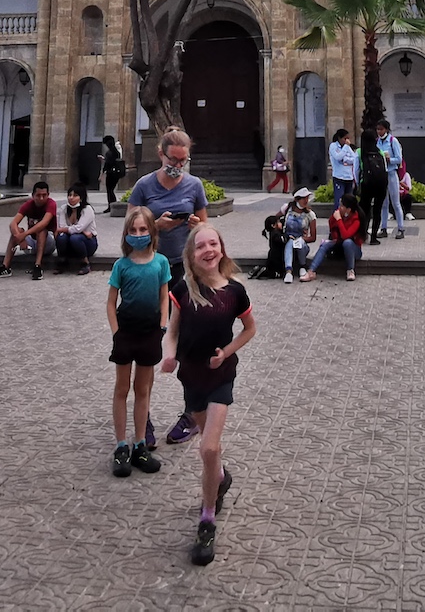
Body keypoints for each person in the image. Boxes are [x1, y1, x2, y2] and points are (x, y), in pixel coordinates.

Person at [161, 224, 255, 566]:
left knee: (209, 447)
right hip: (191, 376)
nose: (208, 250)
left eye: (213, 243)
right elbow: (172, 332)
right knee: (208, 447)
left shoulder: (235, 291)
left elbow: (250, 329)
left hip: (221, 375)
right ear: (191, 255)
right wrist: (168, 355)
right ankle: (220, 478)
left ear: (222, 248)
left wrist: (226, 352)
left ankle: (207, 519)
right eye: (200, 246)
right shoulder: (183, 290)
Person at [126, 128, 210, 446]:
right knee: (147, 343)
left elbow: (207, 230)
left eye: (183, 160)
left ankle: (192, 413)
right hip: (149, 270)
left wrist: (197, 226)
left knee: (190, 342)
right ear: (161, 154)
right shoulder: (144, 186)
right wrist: (154, 226)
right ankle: (143, 419)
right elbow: (128, 234)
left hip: (184, 270)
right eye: (173, 159)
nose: (178, 165)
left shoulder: (194, 185)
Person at [107, 205, 169, 478]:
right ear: (126, 234)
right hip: (126, 332)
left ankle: (140, 443)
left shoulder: (161, 262)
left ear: (152, 231)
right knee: (122, 388)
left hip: (150, 332)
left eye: (143, 229)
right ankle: (121, 445)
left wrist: (163, 325)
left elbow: (164, 296)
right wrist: (116, 332)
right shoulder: (121, 265)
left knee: (142, 389)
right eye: (133, 230)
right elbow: (111, 302)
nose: (138, 234)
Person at [0, 180, 59, 280]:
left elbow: (44, 223)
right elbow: (13, 223)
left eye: (44, 195)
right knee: (17, 230)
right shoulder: (28, 205)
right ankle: (5, 266)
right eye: (38, 195)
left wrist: (24, 234)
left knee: (41, 230)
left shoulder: (51, 204)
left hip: (48, 243)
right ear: (33, 195)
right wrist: (20, 237)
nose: (41, 198)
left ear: (48, 195)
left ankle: (38, 266)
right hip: (31, 243)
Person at [302, 190, 361, 282]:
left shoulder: (356, 220)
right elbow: (332, 227)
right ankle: (311, 271)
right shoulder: (339, 214)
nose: (339, 208)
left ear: (348, 209)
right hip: (339, 244)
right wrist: (335, 218)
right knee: (325, 245)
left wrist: (339, 220)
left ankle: (350, 270)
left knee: (347, 242)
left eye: (342, 206)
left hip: (353, 250)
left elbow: (345, 236)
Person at [373, 120, 407, 240]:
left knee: (396, 202)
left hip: (391, 173)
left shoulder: (393, 141)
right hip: (382, 174)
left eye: (381, 129)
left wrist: (389, 159)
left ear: (386, 129)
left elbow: (399, 159)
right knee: (383, 203)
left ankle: (401, 228)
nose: (379, 132)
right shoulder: (377, 141)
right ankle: (383, 228)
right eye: (378, 129)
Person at [54, 183, 99, 273]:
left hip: (87, 242)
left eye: (75, 195)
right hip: (71, 240)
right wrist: (82, 231)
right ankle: (62, 261)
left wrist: (76, 230)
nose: (71, 198)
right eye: (70, 195)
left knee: (75, 238)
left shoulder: (87, 209)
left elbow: (79, 228)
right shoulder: (64, 209)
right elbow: (62, 226)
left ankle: (85, 263)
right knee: (61, 237)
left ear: (81, 198)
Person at [356, 128, 388, 244]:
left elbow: (356, 171)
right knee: (377, 211)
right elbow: (385, 169)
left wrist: (358, 185)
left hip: (367, 184)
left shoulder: (359, 152)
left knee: (364, 210)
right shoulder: (380, 152)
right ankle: (374, 237)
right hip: (380, 185)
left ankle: (363, 234)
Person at [281, 188, 317, 283]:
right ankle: (288, 271)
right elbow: (275, 220)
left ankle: (302, 266)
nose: (306, 201)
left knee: (298, 242)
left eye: (307, 198)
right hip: (288, 241)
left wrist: (302, 238)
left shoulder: (310, 215)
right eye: (303, 198)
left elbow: (313, 237)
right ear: (297, 199)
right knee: (290, 242)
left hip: (302, 244)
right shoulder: (287, 209)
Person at [101, 133, 126, 206]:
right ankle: (112, 204)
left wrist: (103, 171)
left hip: (111, 173)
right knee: (111, 190)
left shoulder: (109, 153)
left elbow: (108, 163)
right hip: (116, 173)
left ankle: (111, 205)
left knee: (109, 190)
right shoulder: (116, 152)